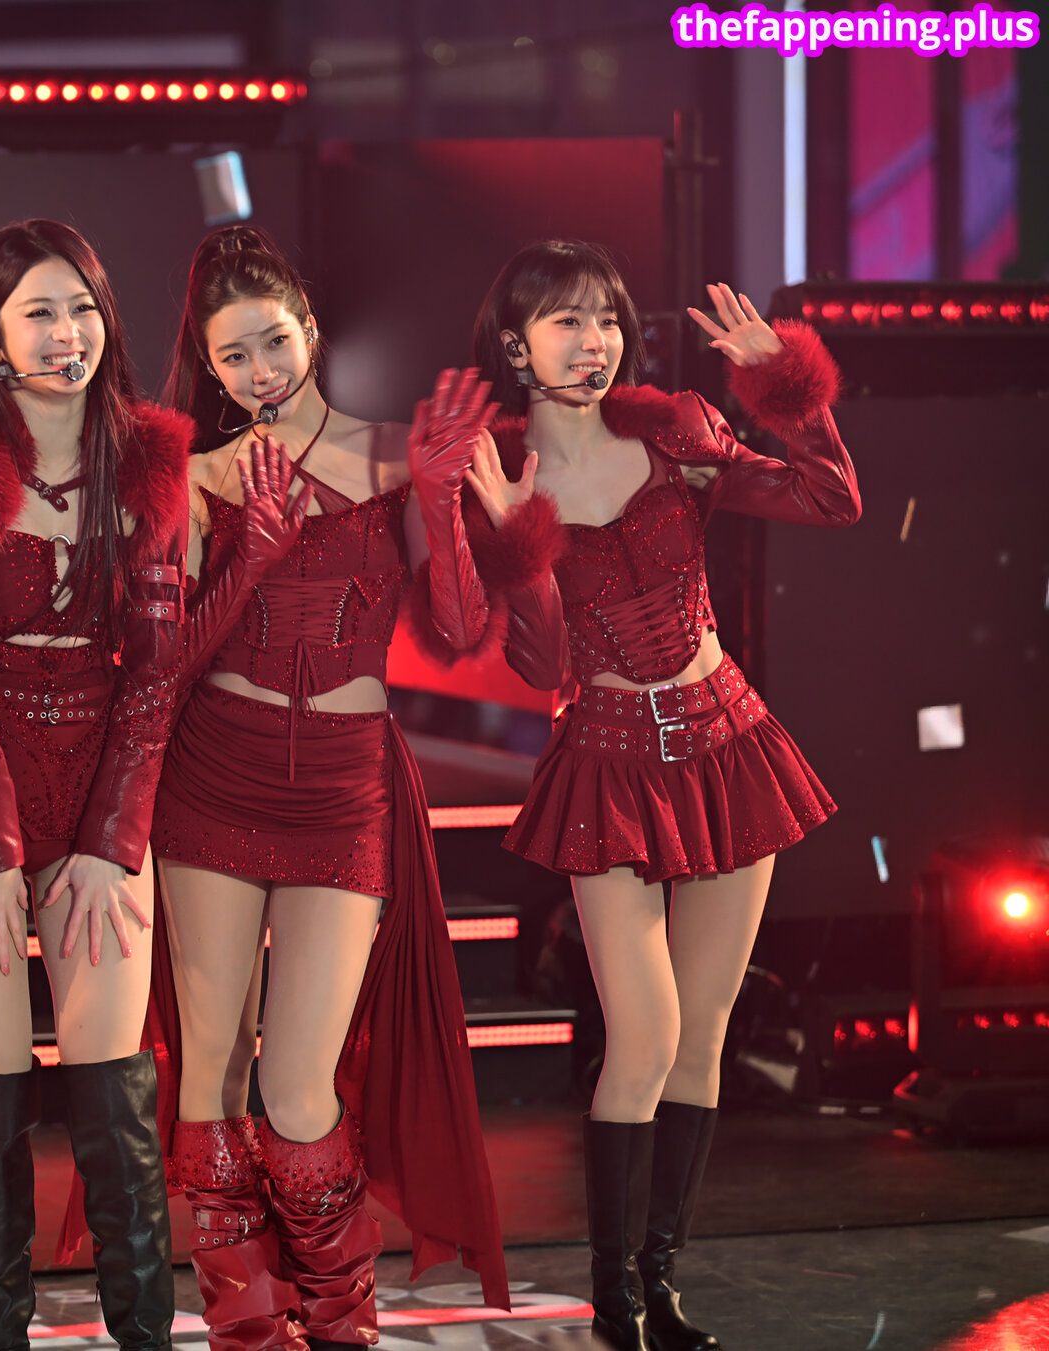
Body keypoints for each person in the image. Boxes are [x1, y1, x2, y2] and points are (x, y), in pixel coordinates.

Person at [453, 240, 860, 1351]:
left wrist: (784, 388)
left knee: (701, 1036)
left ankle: (660, 1285)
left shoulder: (675, 428)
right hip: (609, 761)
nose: (594, 343)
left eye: (607, 320)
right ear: (515, 347)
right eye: (567, 322)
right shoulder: (501, 477)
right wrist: (518, 538)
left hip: (728, 743)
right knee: (644, 1036)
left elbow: (831, 496)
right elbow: (543, 666)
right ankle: (613, 1302)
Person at [147, 225, 526, 1350]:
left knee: (300, 1084)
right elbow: (169, 661)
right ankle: (249, 1333)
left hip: (344, 784)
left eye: (274, 341)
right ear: (210, 368)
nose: (259, 369)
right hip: (215, 773)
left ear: (311, 329)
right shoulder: (198, 477)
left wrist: (445, 501)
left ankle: (341, 1323)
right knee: (211, 1076)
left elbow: (459, 631)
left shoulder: (398, 457)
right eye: (233, 356)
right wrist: (247, 551)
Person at [0, 219, 192, 1351]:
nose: (70, 334)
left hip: (97, 775)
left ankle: (144, 1333)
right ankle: (0, 1334)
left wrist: (110, 842)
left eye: (84, 308)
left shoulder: (147, 464)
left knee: (115, 1075)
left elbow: (155, 672)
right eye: (40, 314)